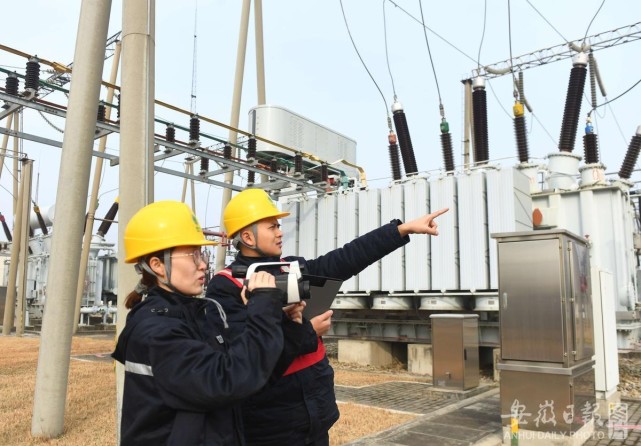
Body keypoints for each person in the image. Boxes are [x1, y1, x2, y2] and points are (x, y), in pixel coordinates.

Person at [206, 188, 448, 446]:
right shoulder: (225, 287)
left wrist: (402, 230)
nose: (279, 232)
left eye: (279, 225)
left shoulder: (293, 269)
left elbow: (345, 258)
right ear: (247, 237)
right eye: (272, 227)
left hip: (317, 415)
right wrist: (307, 332)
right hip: (271, 423)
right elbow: (247, 357)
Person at [112, 200, 302, 445]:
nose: (203, 264)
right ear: (158, 265)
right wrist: (263, 307)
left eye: (201, 253)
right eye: (192, 255)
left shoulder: (201, 314)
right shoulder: (156, 331)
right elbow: (228, 381)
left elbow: (251, 376)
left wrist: (286, 325)